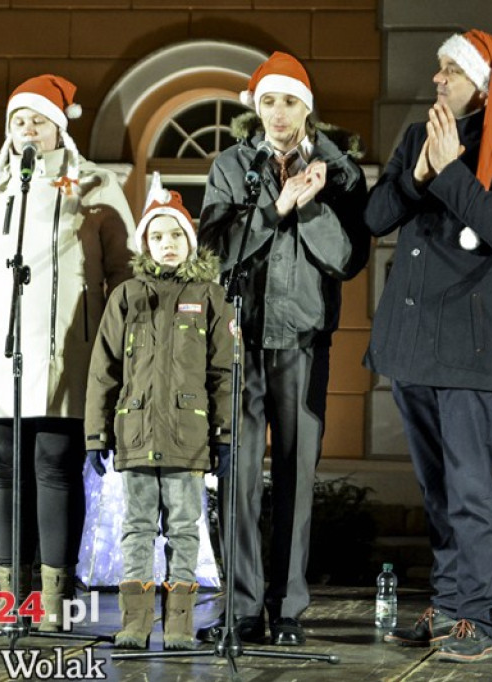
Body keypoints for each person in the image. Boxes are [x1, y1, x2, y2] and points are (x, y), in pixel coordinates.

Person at [364, 30, 492, 663]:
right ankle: (447, 604)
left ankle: (475, 615)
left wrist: (447, 173)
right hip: (413, 336)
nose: (438, 78)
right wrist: (418, 173)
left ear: (482, 83)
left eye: (451, 69)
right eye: (438, 68)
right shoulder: (418, 138)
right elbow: (375, 217)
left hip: (466, 344)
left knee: (469, 487)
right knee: (436, 485)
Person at [0, 74, 137, 631]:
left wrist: (120, 353)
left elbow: (125, 272)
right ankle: (10, 598)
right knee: (5, 472)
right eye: (19, 121)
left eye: (39, 120)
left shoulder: (94, 184)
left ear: (59, 128)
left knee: (55, 467)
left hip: (68, 354)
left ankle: (54, 598)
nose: (28, 129)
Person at [197, 51, 370, 646]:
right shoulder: (230, 164)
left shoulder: (340, 169)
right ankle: (242, 608)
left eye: (289, 101)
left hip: (302, 338)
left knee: (297, 477)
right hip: (240, 339)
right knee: (238, 476)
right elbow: (216, 250)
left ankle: (288, 610)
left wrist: (313, 203)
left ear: (307, 108)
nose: (277, 113)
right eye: (268, 101)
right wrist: (277, 207)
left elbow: (348, 258)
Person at [84, 175, 235, 649]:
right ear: (145, 242)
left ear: (189, 242)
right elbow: (102, 371)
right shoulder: (126, 297)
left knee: (185, 530)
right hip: (135, 434)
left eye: (175, 235)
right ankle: (134, 622)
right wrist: (96, 435)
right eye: (157, 235)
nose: (166, 244)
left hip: (187, 440)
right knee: (136, 529)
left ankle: (180, 624)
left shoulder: (209, 297)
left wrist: (226, 435)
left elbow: (226, 374)